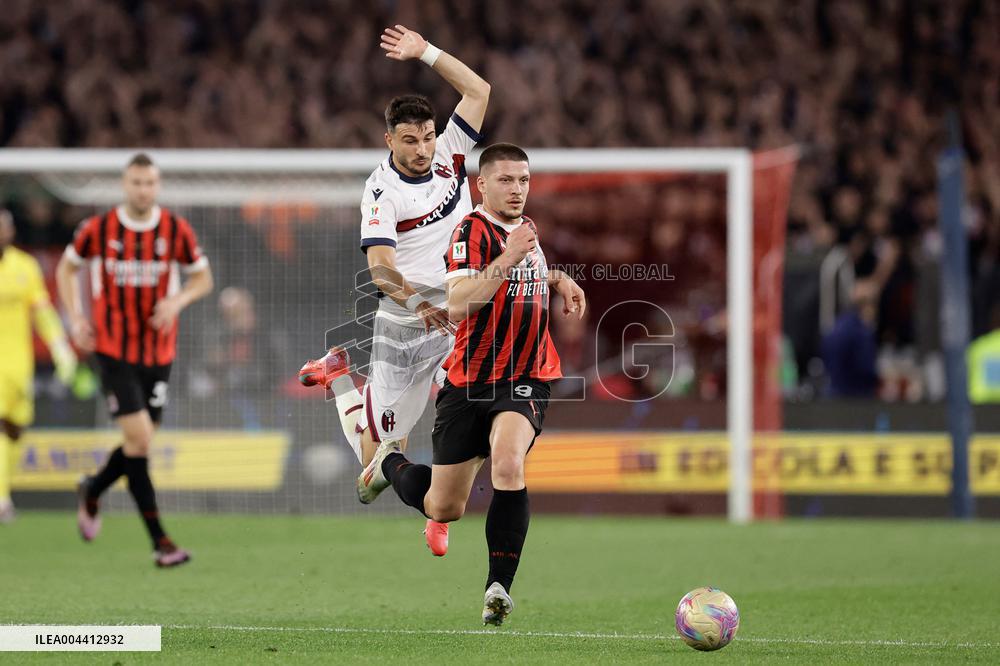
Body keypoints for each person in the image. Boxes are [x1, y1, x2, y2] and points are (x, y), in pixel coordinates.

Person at [356, 143, 586, 625]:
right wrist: (510, 255)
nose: (518, 189)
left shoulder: (523, 235)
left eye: (524, 180)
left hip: (524, 377)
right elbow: (461, 301)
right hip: (468, 383)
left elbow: (522, 277)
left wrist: (557, 279)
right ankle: (389, 463)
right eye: (506, 180)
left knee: (507, 464)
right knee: (444, 505)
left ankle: (497, 588)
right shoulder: (472, 232)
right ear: (482, 184)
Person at [298, 25, 489, 546]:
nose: (423, 148)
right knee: (375, 468)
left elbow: (479, 92)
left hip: (464, 315)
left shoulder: (451, 153)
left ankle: (439, 509)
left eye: (427, 136)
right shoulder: (381, 193)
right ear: (389, 140)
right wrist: (418, 303)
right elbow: (381, 270)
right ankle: (340, 379)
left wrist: (425, 52)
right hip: (406, 324)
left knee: (484, 414)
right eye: (410, 140)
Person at [55, 153, 214, 567]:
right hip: (111, 349)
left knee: (137, 443)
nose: (142, 190)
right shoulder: (98, 229)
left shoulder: (175, 230)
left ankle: (92, 488)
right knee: (141, 441)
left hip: (159, 352)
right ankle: (161, 543)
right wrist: (75, 318)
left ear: (156, 187)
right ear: (125, 186)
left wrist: (177, 300)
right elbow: (66, 270)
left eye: (149, 183)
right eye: (136, 183)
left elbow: (203, 278)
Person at [0, 209, 77, 523]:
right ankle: (2, 499)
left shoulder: (25, 266)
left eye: (4, 227)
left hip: (20, 366)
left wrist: (60, 346)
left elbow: (42, 309)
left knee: (16, 430)